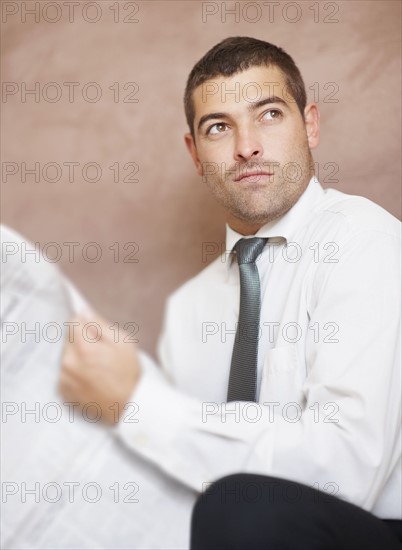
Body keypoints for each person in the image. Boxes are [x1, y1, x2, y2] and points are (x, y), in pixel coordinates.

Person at [60, 37, 401, 548]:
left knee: (237, 509)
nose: (247, 147)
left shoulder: (367, 242)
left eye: (268, 114)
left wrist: (141, 403)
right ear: (195, 153)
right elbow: (180, 475)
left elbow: (347, 470)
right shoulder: (188, 309)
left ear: (310, 124)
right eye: (219, 127)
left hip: (367, 531)